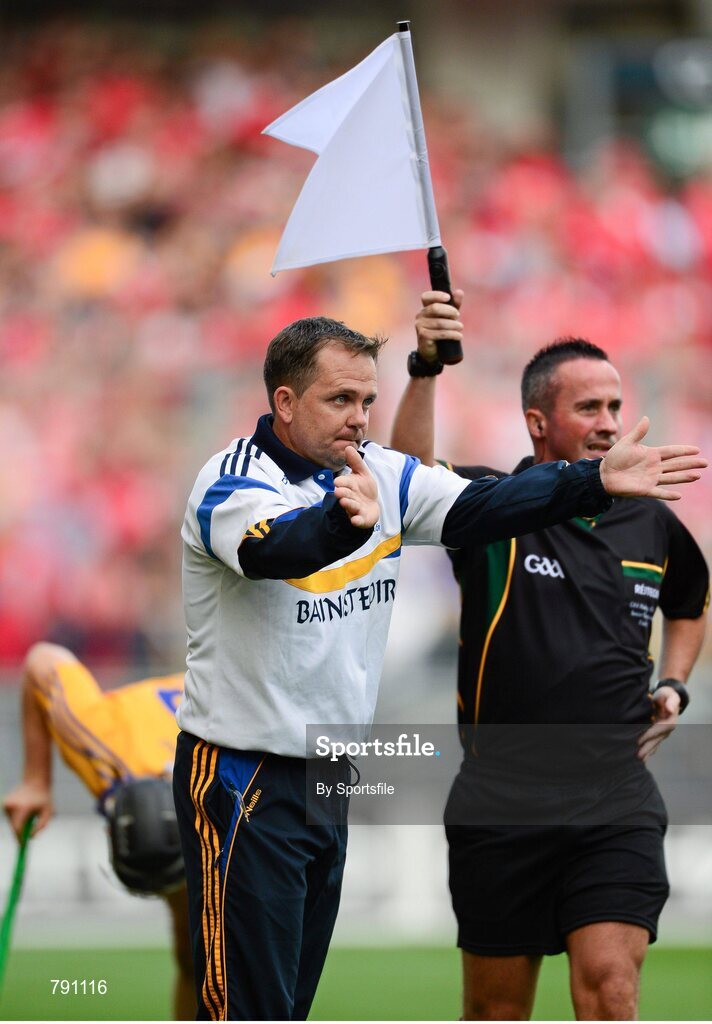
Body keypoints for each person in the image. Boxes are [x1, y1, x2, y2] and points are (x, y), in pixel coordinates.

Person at [174, 312, 706, 1021]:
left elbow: (486, 503)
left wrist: (592, 481)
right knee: (247, 1007)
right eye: (341, 401)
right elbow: (279, 550)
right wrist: (342, 523)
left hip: (329, 769)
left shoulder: (380, 473)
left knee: (289, 1003)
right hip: (245, 768)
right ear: (285, 402)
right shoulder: (234, 482)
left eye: (367, 401)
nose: (360, 418)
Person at [391, 291, 710, 1021]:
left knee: (610, 990)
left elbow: (691, 602)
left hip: (614, 799)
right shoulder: (489, 507)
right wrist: (425, 368)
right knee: (496, 1013)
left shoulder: (652, 521)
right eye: (589, 407)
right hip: (500, 802)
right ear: (538, 422)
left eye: (615, 406)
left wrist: (675, 684)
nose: (609, 423)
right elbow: (404, 479)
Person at [2, 642, 193, 1021]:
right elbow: (42, 660)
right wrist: (35, 780)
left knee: (206, 955)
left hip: (219, 745)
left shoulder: (230, 778)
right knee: (195, 954)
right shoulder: (94, 735)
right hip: (187, 766)